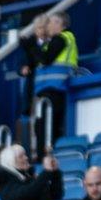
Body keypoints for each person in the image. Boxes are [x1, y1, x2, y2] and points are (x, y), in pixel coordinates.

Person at [34, 12, 78, 152]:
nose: (48, 25)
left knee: (47, 130)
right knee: (42, 129)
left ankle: (46, 162)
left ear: (60, 24)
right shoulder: (51, 42)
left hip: (56, 89)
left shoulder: (63, 37)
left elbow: (45, 59)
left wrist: (32, 45)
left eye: (51, 22)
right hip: (47, 90)